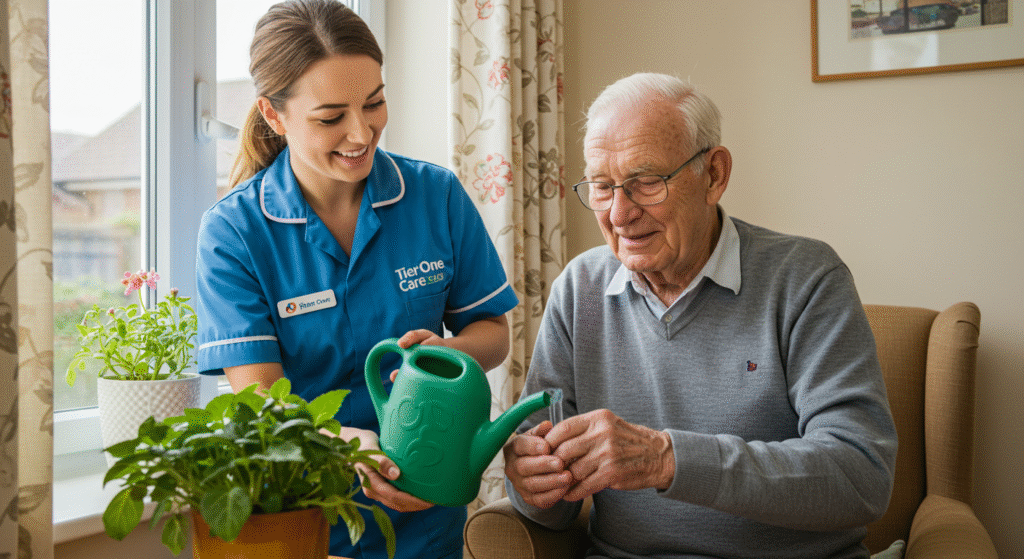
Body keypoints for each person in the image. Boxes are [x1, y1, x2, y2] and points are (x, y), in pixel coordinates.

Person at [502, 73, 897, 559]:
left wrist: (667, 460)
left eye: (645, 182)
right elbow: (548, 503)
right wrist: (531, 483)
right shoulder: (579, 289)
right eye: (602, 187)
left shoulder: (805, 279)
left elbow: (860, 476)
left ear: (714, 175)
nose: (619, 213)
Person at [195, 2, 517, 557]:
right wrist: (348, 448)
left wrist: (450, 350)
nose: (361, 132)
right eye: (330, 117)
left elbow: (493, 331)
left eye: (374, 103)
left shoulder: (436, 196)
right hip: (305, 515)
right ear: (274, 116)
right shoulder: (234, 234)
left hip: (428, 506)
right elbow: (263, 398)